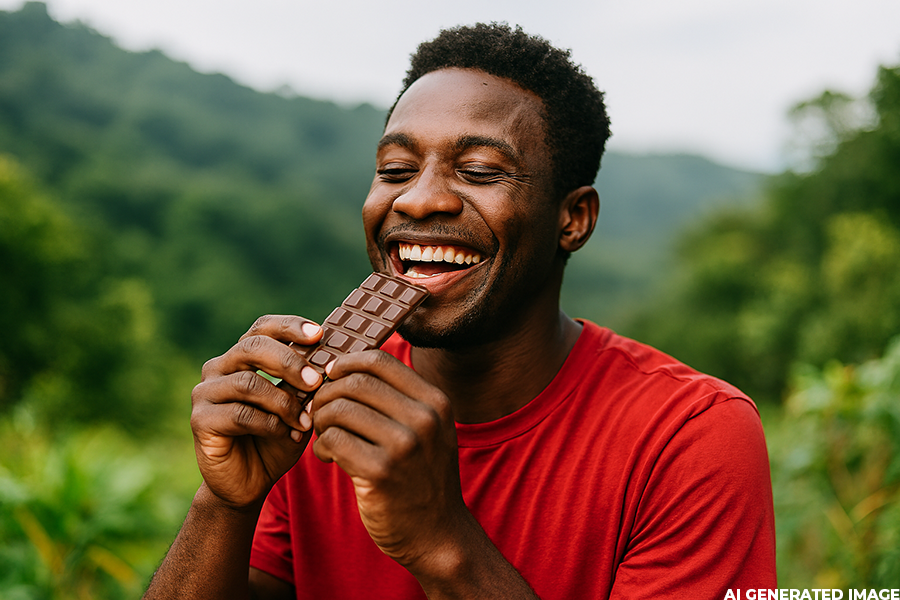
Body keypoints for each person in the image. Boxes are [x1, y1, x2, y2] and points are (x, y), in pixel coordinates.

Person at [144, 23, 776, 600]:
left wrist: (439, 541)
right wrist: (223, 504)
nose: (418, 200)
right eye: (396, 168)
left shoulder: (690, 436)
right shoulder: (313, 405)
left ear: (573, 218)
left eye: (478, 171)